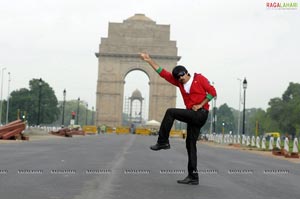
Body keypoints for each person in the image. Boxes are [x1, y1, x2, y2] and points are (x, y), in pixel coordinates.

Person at [140, 52, 217, 185]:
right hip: (192, 116)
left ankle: (163, 141)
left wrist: (200, 105)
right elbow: (162, 73)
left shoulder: (199, 79)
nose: (180, 79)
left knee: (171, 112)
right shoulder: (179, 83)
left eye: (182, 76)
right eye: (178, 78)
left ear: (187, 73)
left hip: (201, 114)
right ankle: (193, 176)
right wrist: (149, 60)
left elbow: (212, 92)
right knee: (190, 144)